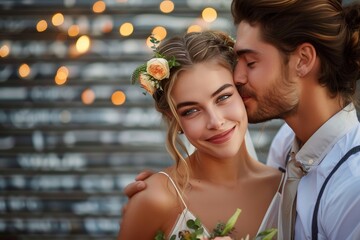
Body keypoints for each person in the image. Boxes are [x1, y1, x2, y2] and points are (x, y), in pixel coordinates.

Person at [123, 0, 360, 239]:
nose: (239, 76)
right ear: (173, 119)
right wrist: (158, 193)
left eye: (251, 62)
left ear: (303, 59)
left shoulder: (350, 184)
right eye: (190, 111)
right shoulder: (287, 144)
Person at [117, 31, 283, 240]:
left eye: (223, 97)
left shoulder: (287, 190)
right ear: (174, 119)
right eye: (191, 111)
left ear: (243, 93)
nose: (215, 121)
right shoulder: (155, 199)